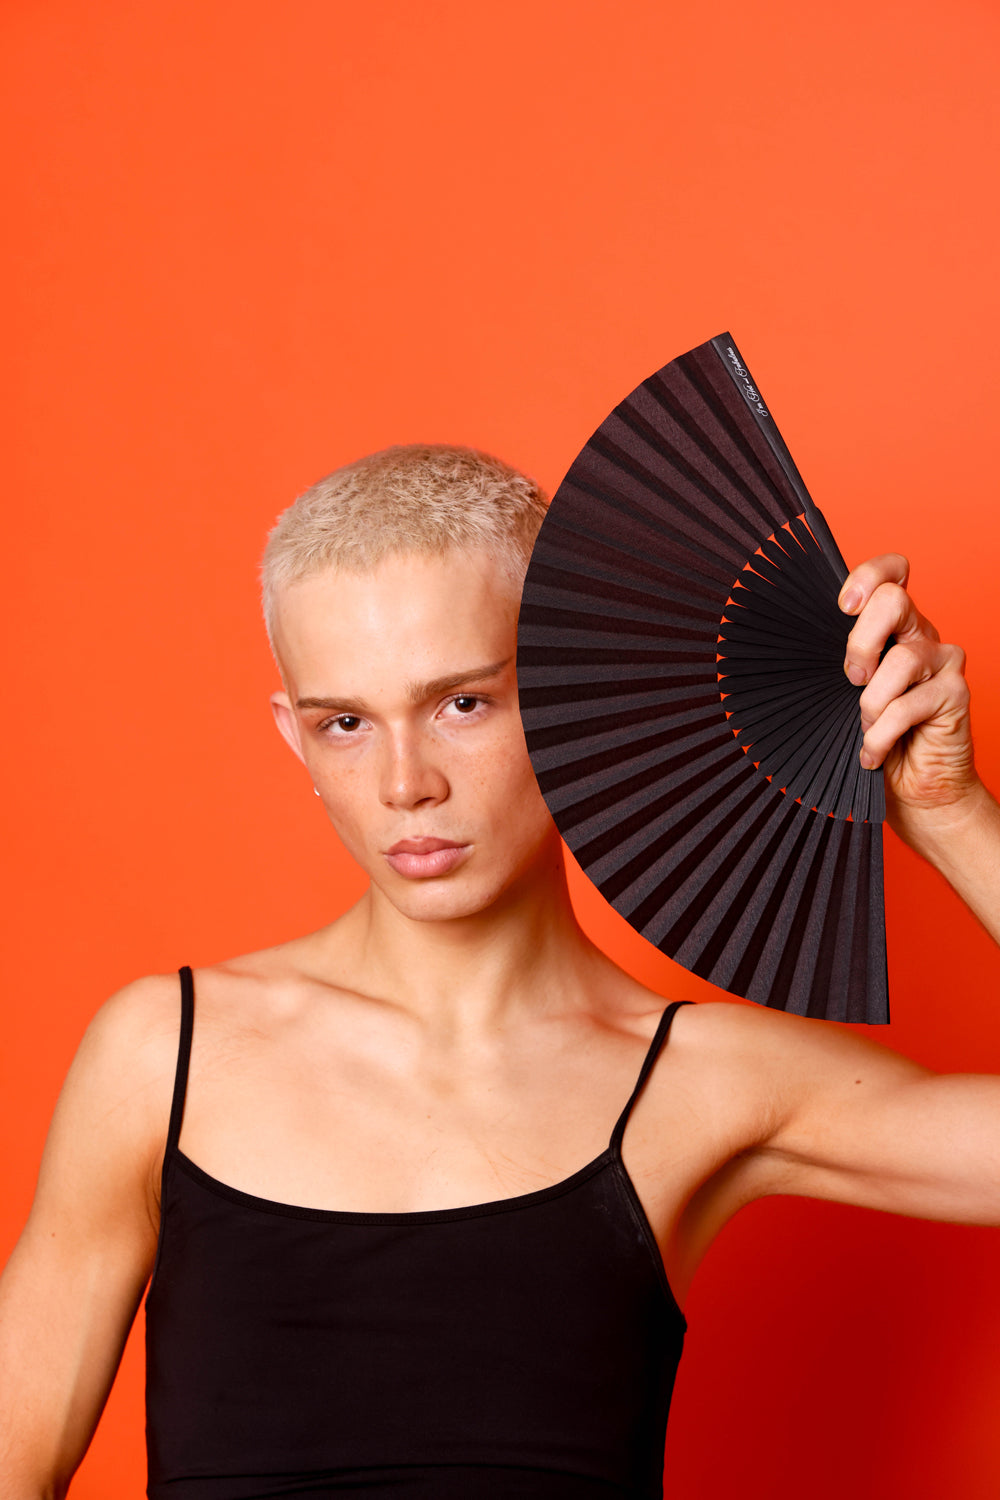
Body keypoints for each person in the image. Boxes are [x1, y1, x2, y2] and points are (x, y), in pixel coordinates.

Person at [1, 443, 998, 1499]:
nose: (404, 784)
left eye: (461, 704)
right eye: (346, 724)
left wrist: (948, 815)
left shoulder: (702, 1080)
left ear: (578, 692)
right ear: (294, 740)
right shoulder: (166, 1055)